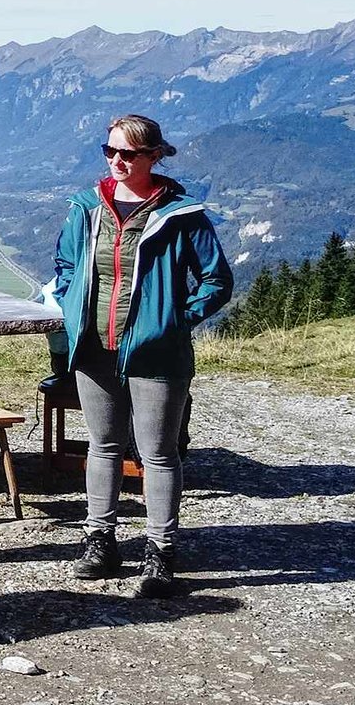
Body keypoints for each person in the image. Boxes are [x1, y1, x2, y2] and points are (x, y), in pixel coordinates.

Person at [47, 114, 231, 598]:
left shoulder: (181, 214)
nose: (117, 161)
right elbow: (66, 265)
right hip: (94, 347)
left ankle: (161, 551)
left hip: (158, 352)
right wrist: (72, 305)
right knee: (103, 445)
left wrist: (173, 321)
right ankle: (100, 540)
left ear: (154, 156)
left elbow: (216, 281)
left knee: (158, 452)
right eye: (110, 152)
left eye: (128, 154)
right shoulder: (86, 207)